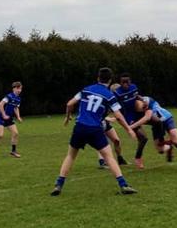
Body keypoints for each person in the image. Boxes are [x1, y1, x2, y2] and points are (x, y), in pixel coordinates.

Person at [51, 67, 136, 196]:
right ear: (110, 80)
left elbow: (69, 104)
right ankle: (123, 185)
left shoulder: (86, 89)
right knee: (109, 157)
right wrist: (128, 129)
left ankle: (58, 184)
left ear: (98, 78)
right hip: (95, 129)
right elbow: (118, 116)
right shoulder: (109, 95)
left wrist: (68, 116)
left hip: (80, 127)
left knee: (71, 156)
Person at [131, 95, 177, 169]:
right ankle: (169, 147)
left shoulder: (148, 100)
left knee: (176, 142)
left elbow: (147, 118)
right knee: (160, 150)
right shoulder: (134, 107)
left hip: (167, 119)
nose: (144, 109)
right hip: (157, 126)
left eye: (144, 107)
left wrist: (131, 127)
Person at [114, 72, 149, 168]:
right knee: (143, 138)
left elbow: (136, 96)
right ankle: (138, 158)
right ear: (120, 82)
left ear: (130, 81)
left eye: (127, 82)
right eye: (123, 82)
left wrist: (143, 100)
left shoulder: (133, 87)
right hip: (128, 118)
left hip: (138, 113)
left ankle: (161, 141)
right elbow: (113, 107)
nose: (125, 84)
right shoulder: (117, 93)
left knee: (157, 121)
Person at [0, 82, 23, 159]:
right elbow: (0, 104)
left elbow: (16, 108)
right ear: (14, 88)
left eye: (20, 88)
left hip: (9, 118)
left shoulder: (18, 98)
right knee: (0, 135)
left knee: (15, 133)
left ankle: (13, 151)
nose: (19, 90)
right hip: (1, 117)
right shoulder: (9, 96)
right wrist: (4, 114)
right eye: (18, 88)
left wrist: (18, 117)